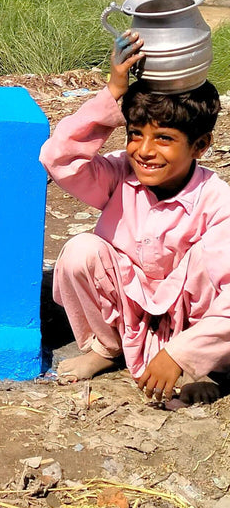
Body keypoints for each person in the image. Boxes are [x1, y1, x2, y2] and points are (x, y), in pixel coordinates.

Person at [40, 30, 230, 405]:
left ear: (200, 145)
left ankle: (204, 368)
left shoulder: (217, 202)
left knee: (207, 264)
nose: (144, 151)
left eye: (164, 139)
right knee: (81, 251)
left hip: (191, 324)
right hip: (131, 311)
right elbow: (58, 157)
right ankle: (107, 348)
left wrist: (180, 353)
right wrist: (114, 89)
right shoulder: (120, 175)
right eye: (135, 134)